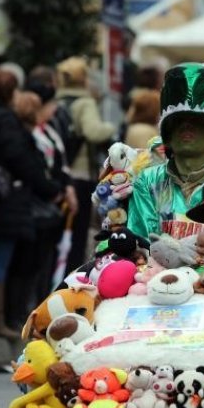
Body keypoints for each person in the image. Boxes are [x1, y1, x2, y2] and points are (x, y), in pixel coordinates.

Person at [0, 70, 63, 340]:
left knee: (1, 261)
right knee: (2, 261)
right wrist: (49, 188)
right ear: (8, 93)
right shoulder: (5, 120)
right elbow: (20, 159)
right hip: (8, 201)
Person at [127, 63, 204, 241]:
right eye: (177, 120)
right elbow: (141, 244)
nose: (186, 125)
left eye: (197, 120)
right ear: (167, 135)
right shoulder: (147, 181)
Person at [51, 56, 116, 275]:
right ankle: (71, 277)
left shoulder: (57, 101)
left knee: (58, 234)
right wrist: (110, 128)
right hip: (80, 174)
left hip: (60, 173)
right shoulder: (84, 103)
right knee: (77, 236)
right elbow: (93, 131)